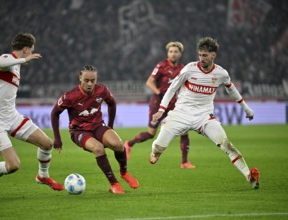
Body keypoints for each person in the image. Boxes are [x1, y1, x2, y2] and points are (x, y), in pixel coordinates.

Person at [150, 37, 260, 189]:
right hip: (181, 114)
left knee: (226, 144)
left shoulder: (221, 73)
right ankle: (156, 152)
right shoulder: (189, 69)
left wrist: (246, 109)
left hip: (204, 117)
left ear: (213, 55)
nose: (201, 58)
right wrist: (161, 110)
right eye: (200, 55)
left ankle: (249, 177)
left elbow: (231, 89)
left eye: (205, 55)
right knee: (158, 147)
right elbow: (172, 88)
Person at [0, 33, 64, 200]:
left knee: (46, 143)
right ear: (26, 49)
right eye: (31, 50)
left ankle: (42, 176)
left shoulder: (15, 65)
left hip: (12, 117)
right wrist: (24, 59)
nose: (31, 53)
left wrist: (22, 62)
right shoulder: (7, 60)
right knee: (13, 165)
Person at [51, 65, 139, 194]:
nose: (89, 84)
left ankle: (124, 173)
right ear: (80, 78)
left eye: (93, 80)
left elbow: (112, 103)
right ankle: (114, 184)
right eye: (86, 80)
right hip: (79, 131)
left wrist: (110, 126)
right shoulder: (70, 96)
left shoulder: (102, 90)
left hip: (98, 126)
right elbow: (54, 113)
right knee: (98, 148)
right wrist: (57, 139)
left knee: (119, 145)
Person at [124, 41, 195, 169]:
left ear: (180, 54)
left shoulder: (182, 69)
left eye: (176, 52)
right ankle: (129, 144)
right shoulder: (161, 66)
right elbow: (149, 82)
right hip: (158, 103)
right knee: (151, 134)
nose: (173, 54)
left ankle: (185, 162)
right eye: (171, 52)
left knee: (184, 130)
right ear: (168, 53)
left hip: (174, 104)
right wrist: (159, 93)